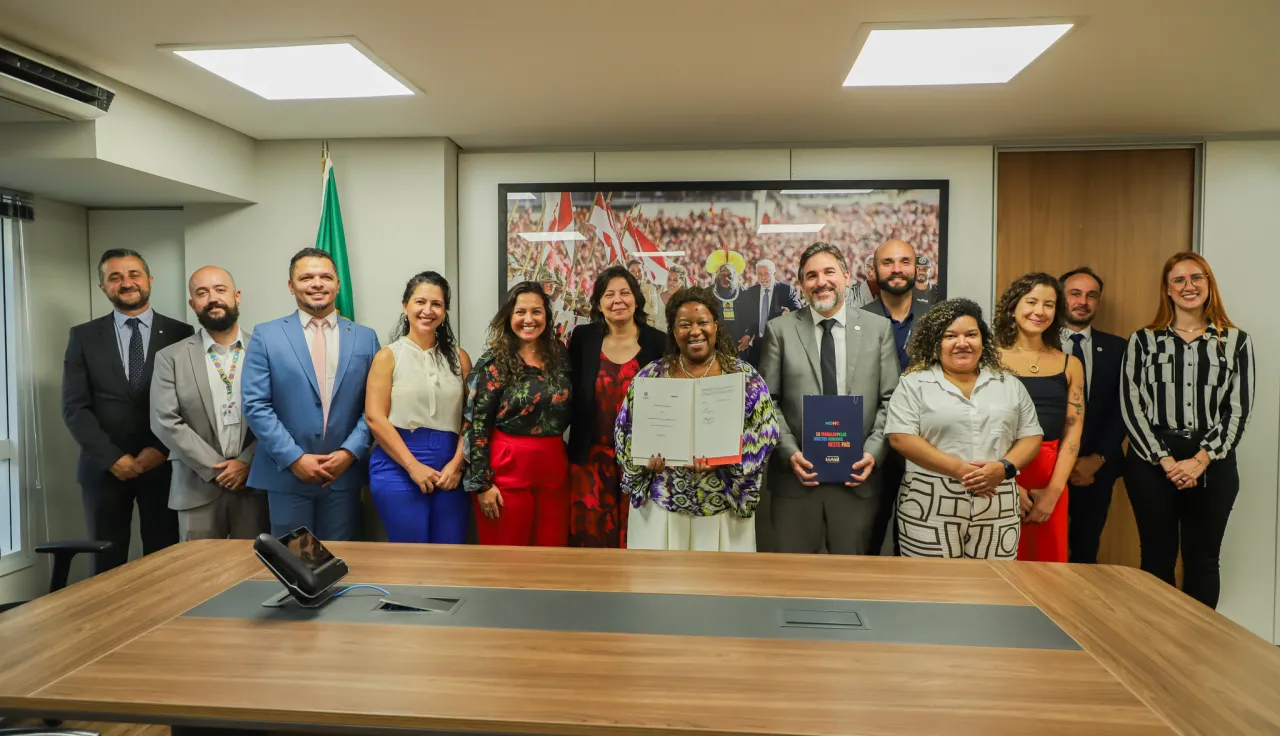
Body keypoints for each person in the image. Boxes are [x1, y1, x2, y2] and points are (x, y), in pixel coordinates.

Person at [1121, 252, 1254, 609]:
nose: (1188, 286)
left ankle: (1197, 653)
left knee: (1203, 561)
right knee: (1156, 560)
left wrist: (1200, 460)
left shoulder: (1236, 341)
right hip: (1152, 461)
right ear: (1167, 290)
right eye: (1178, 280)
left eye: (1196, 278)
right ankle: (1155, 648)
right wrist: (1164, 459)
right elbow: (1131, 408)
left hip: (1212, 462)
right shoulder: (1143, 341)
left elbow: (1238, 410)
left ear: (1209, 285)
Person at [760, 242, 898, 555]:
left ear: (847, 277)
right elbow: (768, 401)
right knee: (794, 582)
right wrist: (789, 452)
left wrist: (873, 452)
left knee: (852, 583)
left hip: (857, 481)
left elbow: (891, 399)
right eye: (811, 276)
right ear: (801, 285)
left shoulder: (878, 330)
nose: (821, 281)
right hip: (796, 482)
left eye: (829, 272)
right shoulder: (779, 330)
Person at [616, 287, 778, 551]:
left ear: (715, 325)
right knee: (661, 589)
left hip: (723, 511)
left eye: (702, 322)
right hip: (663, 510)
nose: (695, 331)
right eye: (684, 325)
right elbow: (625, 434)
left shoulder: (743, 377)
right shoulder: (651, 378)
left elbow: (766, 434)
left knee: (720, 590)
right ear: (673, 330)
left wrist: (725, 460)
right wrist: (645, 461)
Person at [62, 249, 194, 574]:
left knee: (164, 560)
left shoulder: (182, 334)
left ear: (149, 280)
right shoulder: (84, 336)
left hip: (163, 468)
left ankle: (162, 623)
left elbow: (190, 403)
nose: (126, 283)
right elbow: (74, 407)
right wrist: (111, 458)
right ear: (102, 287)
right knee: (107, 564)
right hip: (104, 470)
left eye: (134, 274)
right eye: (115, 277)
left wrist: (161, 449)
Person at [885, 299, 1043, 559]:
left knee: (994, 587)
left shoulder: (1008, 383)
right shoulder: (914, 383)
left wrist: (1004, 468)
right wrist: (960, 470)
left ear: (983, 340)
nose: (962, 343)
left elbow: (1031, 435)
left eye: (971, 335)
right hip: (929, 503)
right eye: (950, 336)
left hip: (997, 500)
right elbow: (901, 438)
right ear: (936, 342)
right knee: (933, 590)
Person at [241, 248, 380, 540]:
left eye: (325, 277)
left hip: (343, 476)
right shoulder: (266, 336)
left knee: (342, 561)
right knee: (295, 565)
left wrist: (348, 453)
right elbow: (256, 405)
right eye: (307, 277)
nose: (317, 283)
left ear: (337, 284)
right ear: (291, 286)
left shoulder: (366, 338)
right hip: (287, 474)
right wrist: (294, 458)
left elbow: (375, 406)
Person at [150, 266, 266, 541]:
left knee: (254, 573)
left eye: (220, 290)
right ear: (193, 304)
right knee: (199, 577)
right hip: (195, 487)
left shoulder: (266, 349)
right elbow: (165, 420)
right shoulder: (171, 357)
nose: (212, 298)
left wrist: (247, 462)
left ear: (237, 296)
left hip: (254, 485)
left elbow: (281, 414)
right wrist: (216, 468)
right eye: (202, 293)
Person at [364, 272, 471, 544]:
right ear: (405, 306)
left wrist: (457, 464)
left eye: (436, 304)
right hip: (398, 467)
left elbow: (471, 418)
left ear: (445, 311)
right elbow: (375, 418)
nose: (427, 310)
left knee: (451, 552)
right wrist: (413, 466)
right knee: (411, 558)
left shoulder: (460, 358)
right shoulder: (388, 356)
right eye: (420, 302)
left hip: (450, 470)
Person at [463, 281, 572, 546]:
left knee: (552, 554)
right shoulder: (493, 362)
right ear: (509, 316)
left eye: (536, 311)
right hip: (506, 469)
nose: (529, 319)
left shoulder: (561, 356)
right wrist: (482, 485)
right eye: (520, 312)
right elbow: (476, 425)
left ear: (546, 315)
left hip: (554, 469)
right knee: (508, 560)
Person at [566, 266, 666, 547]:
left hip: (642, 464)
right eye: (609, 294)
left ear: (636, 299)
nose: (617, 300)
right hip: (589, 463)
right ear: (599, 302)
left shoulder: (658, 342)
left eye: (625, 293)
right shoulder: (583, 339)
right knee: (590, 543)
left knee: (639, 540)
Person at [994, 274, 1085, 563]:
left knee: (1049, 569)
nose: (1039, 311)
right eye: (1031, 301)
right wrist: (1006, 484)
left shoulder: (1070, 364)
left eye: (1049, 304)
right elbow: (977, 426)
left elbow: (1073, 431)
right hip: (999, 475)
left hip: (1051, 477)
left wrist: (1054, 492)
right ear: (1012, 307)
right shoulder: (989, 359)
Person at [860, 239, 932, 555]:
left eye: (905, 261)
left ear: (917, 268)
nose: (897, 269)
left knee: (919, 539)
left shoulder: (939, 319)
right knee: (867, 536)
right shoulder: (856, 321)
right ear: (874, 271)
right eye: (888, 262)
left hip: (926, 445)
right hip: (872, 445)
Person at [1058, 266, 1128, 563]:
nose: (1082, 302)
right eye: (1074, 294)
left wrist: (1097, 459)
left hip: (1096, 470)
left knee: (1086, 552)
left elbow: (1124, 408)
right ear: (1061, 298)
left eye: (1091, 295)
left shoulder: (1119, 348)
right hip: (1045, 466)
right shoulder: (1037, 346)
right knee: (1043, 555)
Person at [739, 259, 801, 366]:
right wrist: (748, 334)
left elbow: (798, 312)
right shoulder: (751, 292)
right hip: (758, 344)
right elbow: (748, 318)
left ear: (774, 274)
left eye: (767, 274)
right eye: (760, 274)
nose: (763, 278)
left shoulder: (785, 290)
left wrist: (789, 314)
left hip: (779, 344)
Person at [705, 249, 751, 355]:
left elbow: (752, 317)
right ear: (716, 275)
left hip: (739, 344)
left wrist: (748, 335)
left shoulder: (744, 292)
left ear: (735, 275)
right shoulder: (707, 294)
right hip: (715, 344)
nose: (726, 278)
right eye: (722, 274)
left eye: (729, 275)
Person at [627, 259, 668, 332]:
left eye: (639, 271)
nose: (636, 274)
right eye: (632, 271)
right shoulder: (623, 291)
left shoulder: (650, 289)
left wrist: (640, 299)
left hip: (646, 330)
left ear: (643, 273)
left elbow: (654, 313)